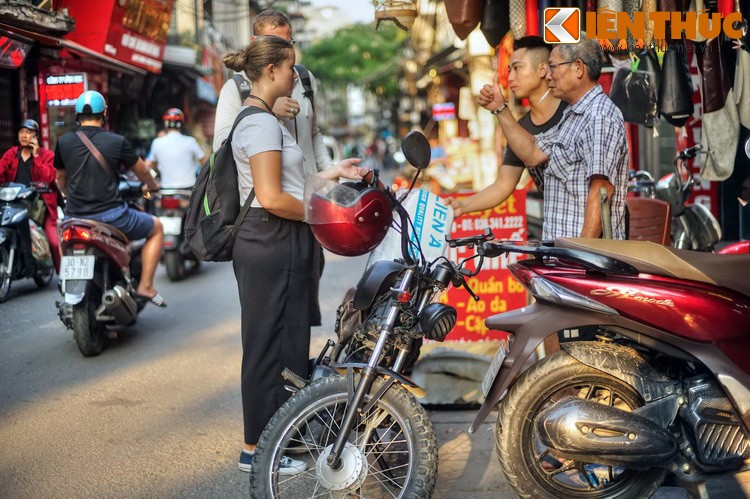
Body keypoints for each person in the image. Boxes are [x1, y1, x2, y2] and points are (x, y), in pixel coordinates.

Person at [221, 35, 370, 475]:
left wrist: (331, 175)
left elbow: (288, 184)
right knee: (265, 346)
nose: (294, 77)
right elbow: (271, 197)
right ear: (271, 72)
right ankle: (255, 450)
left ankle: (278, 436)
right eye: (289, 69)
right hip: (269, 239)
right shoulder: (260, 123)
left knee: (286, 343)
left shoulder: (266, 120)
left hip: (277, 238)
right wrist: (323, 212)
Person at [214, 9, 331, 325]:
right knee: (272, 322)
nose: (284, 54)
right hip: (271, 217)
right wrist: (268, 110)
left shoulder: (304, 80)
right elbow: (225, 146)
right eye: (273, 44)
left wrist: (331, 179)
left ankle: (295, 367)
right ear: (257, 48)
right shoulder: (238, 91)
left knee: (299, 312)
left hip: (304, 201)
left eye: (287, 43)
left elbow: (315, 135)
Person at [478, 36, 629, 240]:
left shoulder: (598, 115)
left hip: (581, 263)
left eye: (553, 67)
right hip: (562, 257)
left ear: (578, 68)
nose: (548, 76)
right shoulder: (572, 115)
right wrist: (500, 108)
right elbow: (532, 153)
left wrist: (581, 255)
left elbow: (600, 191)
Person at [54, 90, 166, 306]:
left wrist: (68, 196)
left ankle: (65, 280)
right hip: (113, 217)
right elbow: (143, 171)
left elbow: (60, 177)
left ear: (77, 115)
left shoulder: (64, 142)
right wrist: (152, 187)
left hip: (75, 217)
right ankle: (145, 286)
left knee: (62, 237)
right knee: (157, 227)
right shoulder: (117, 141)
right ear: (104, 113)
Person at [447, 37, 566, 219]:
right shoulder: (521, 127)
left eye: (517, 68)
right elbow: (503, 184)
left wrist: (501, 109)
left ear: (543, 69)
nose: (510, 78)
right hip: (556, 228)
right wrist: (462, 206)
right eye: (509, 70)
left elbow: (534, 154)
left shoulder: (570, 112)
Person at [0, 119, 60, 272]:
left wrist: (37, 157)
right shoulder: (11, 154)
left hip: (40, 206)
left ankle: (62, 275)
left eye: (28, 132)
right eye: (21, 132)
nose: (24, 135)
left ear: (36, 136)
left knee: (53, 242)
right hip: (13, 204)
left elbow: (48, 178)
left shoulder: (47, 156)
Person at [146, 108, 206, 189]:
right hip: (188, 189)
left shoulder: (157, 142)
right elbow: (205, 163)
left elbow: (149, 165)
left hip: (166, 190)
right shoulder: (190, 141)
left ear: (166, 124)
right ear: (182, 124)